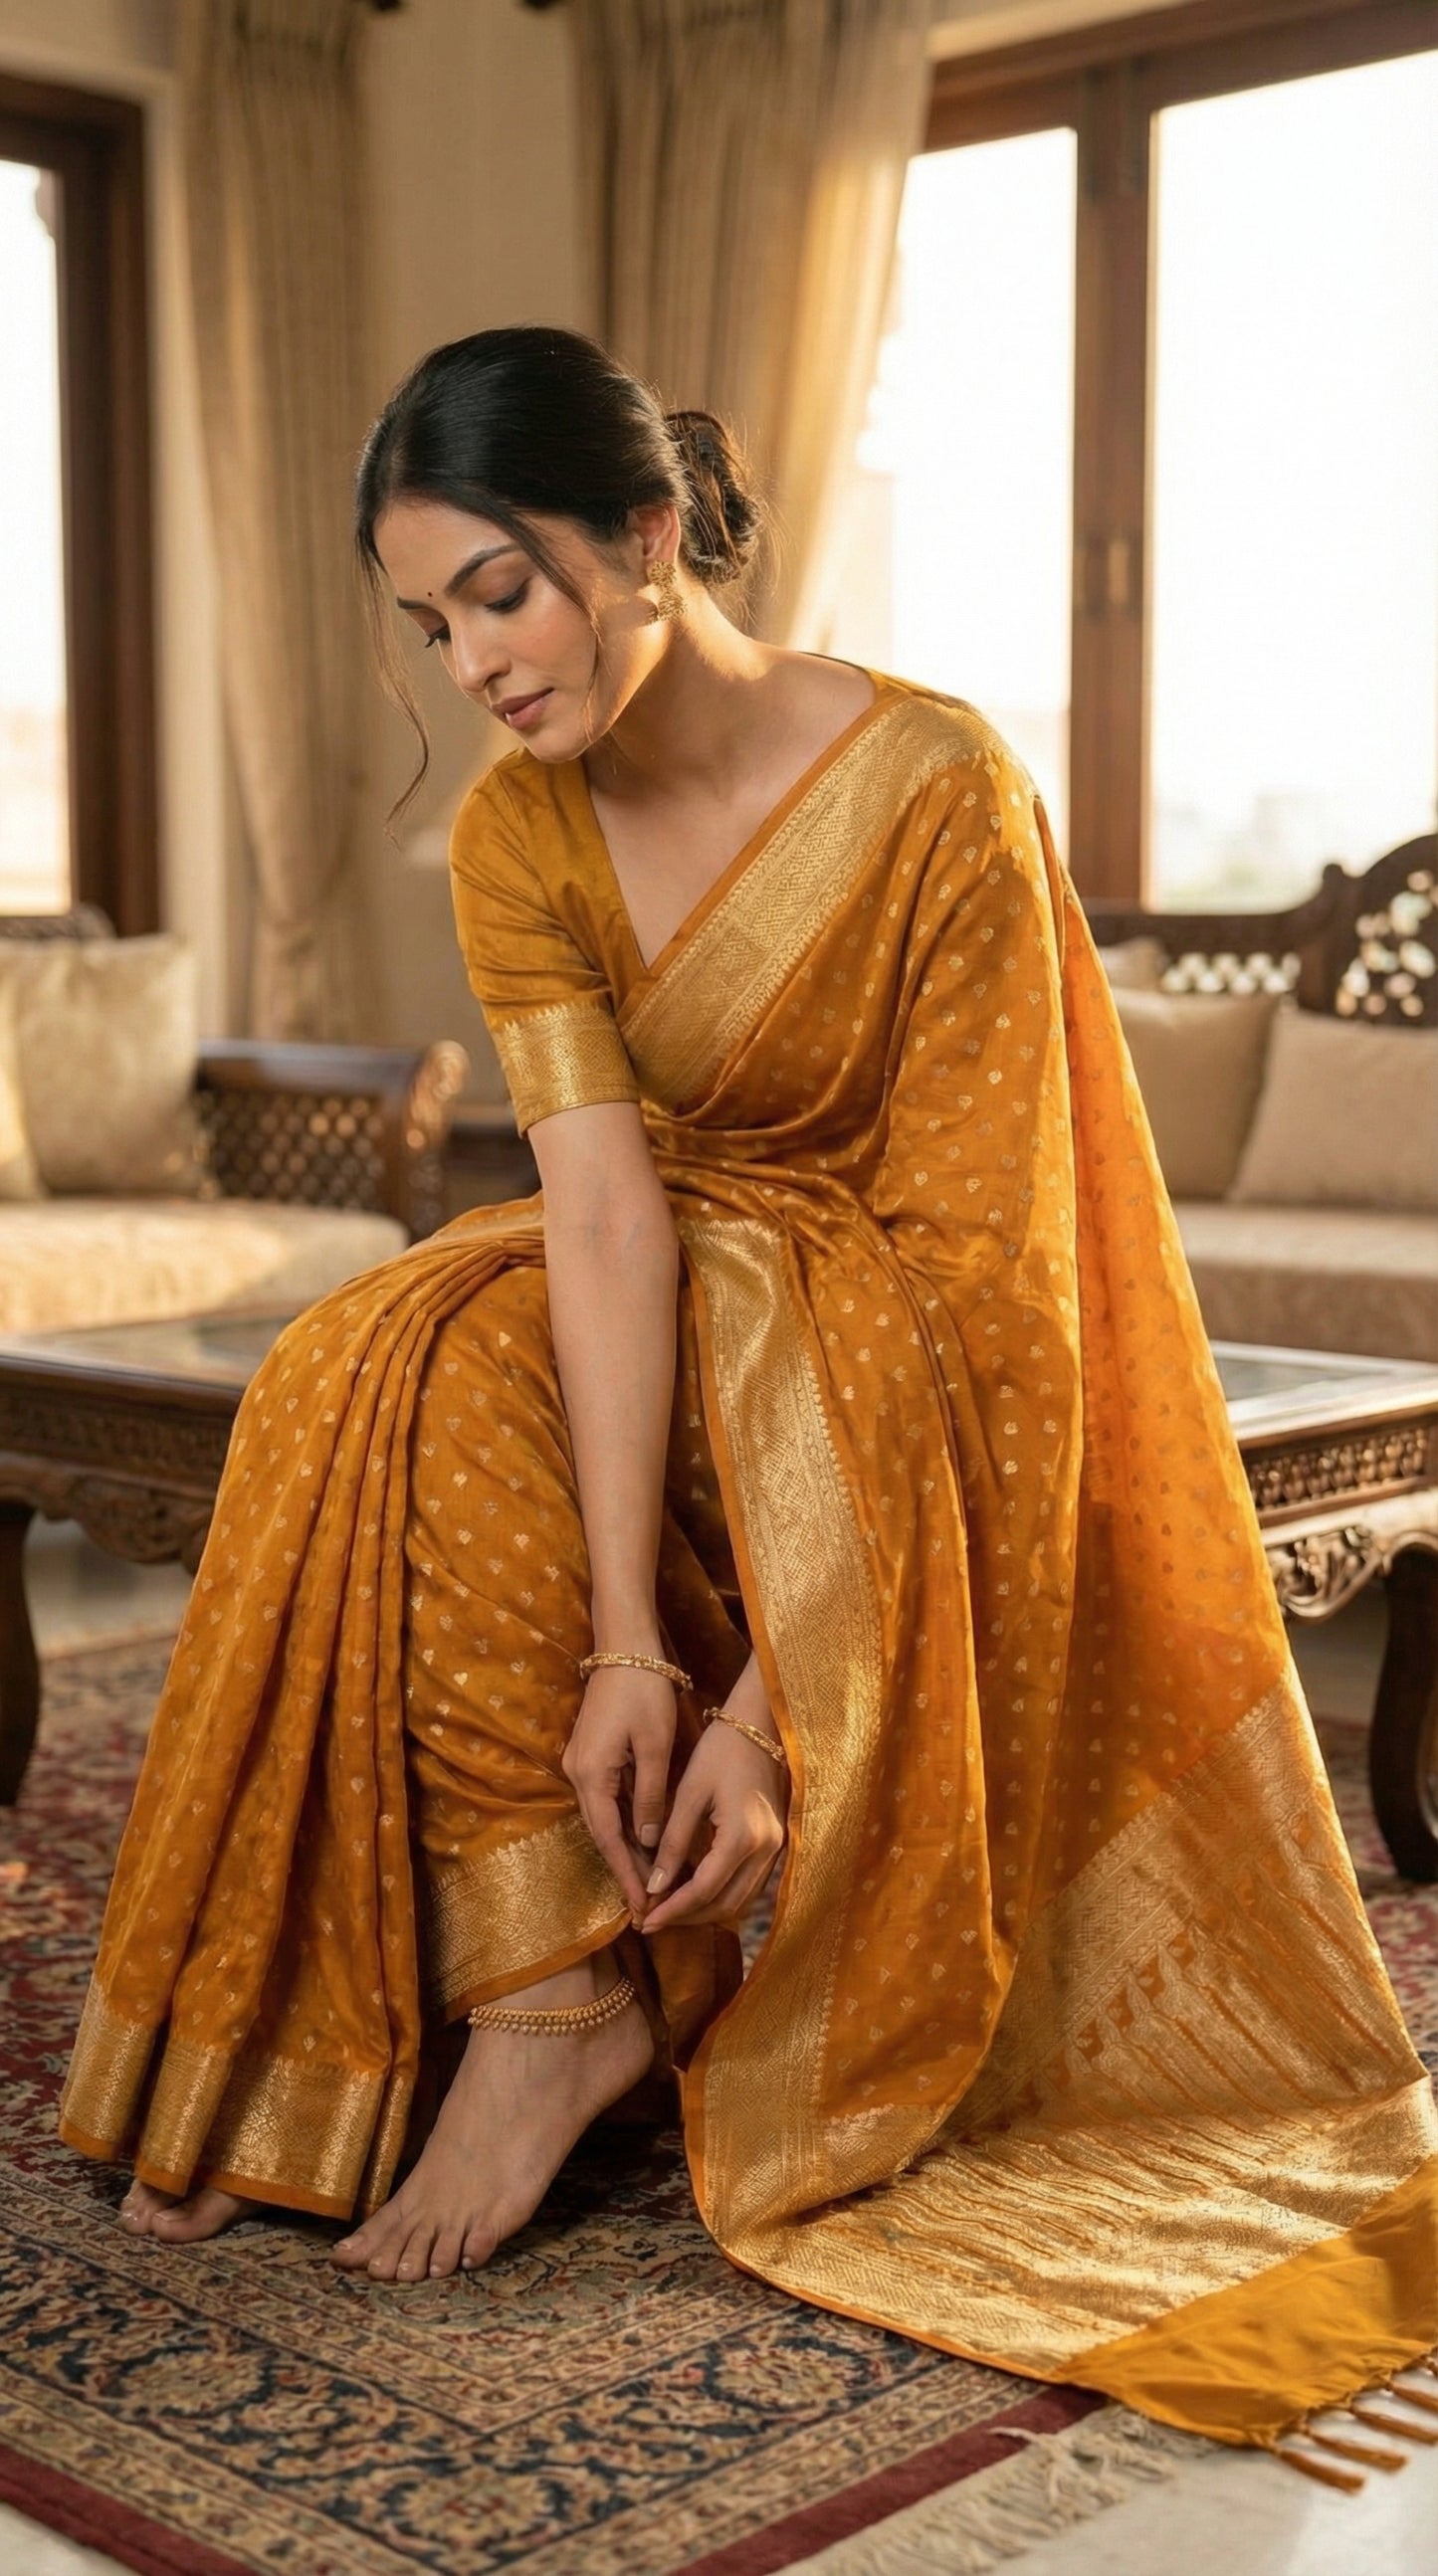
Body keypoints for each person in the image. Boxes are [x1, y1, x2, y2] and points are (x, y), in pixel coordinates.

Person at [61, 327, 1436, 2462]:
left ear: (647, 531)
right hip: (670, 1282)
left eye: (498, 591)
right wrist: (627, 1642)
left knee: (463, 1336)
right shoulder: (517, 836)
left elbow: (994, 1266)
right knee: (378, 1349)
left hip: (898, 1340)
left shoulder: (939, 782)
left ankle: (595, 1990)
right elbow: (602, 1214)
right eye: (430, 624)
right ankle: (548, 1991)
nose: (475, 667)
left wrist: (777, 1704)